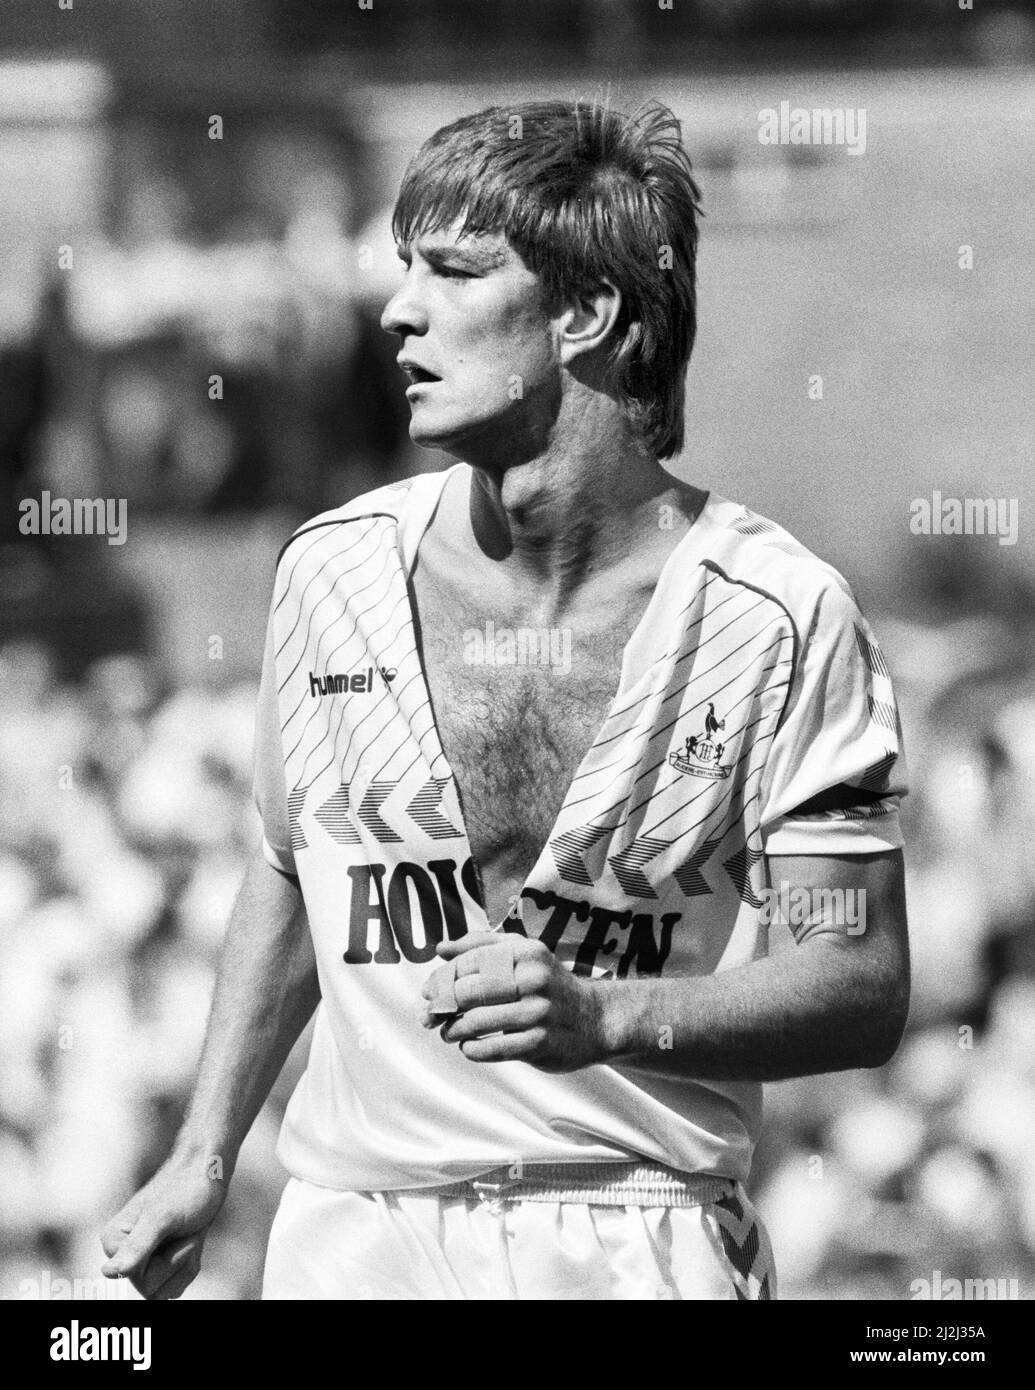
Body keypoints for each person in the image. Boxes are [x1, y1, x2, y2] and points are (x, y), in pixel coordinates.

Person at [101, 99, 910, 1302]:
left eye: (455, 272)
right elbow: (286, 864)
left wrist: (609, 1017)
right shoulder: (331, 570)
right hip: (359, 1231)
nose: (397, 310)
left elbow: (858, 979)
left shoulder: (778, 615)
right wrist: (203, 1152)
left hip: (640, 1232)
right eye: (402, 268)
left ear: (585, 314)